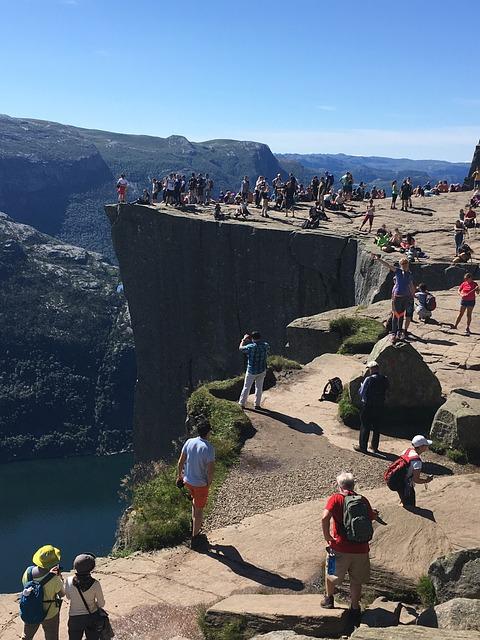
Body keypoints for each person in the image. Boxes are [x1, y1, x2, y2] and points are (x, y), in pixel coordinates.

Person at [321, 472, 379, 625]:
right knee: (356, 580)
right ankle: (354, 608)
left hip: (338, 547)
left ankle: (329, 599)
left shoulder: (335, 498)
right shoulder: (363, 500)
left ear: (339, 485)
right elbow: (370, 517)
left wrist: (327, 536)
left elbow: (324, 517)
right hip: (360, 549)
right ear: (353, 485)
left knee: (331, 572)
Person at [176, 419, 215, 549]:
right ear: (208, 432)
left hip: (188, 482)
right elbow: (210, 470)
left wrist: (179, 477)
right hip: (200, 484)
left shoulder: (189, 442)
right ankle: (196, 538)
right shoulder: (209, 448)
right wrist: (208, 484)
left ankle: (194, 527)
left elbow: (180, 462)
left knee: (194, 503)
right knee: (199, 511)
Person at [20, 545, 64, 640]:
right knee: (51, 636)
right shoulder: (54, 579)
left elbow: (26, 585)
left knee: (26, 636)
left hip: (31, 609)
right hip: (50, 613)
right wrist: (59, 577)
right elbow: (62, 594)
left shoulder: (28, 572)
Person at [373, 255, 414, 342]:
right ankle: (393, 333)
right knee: (395, 314)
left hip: (405, 297)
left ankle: (399, 332)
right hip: (397, 296)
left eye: (406, 264)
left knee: (401, 315)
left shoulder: (409, 274)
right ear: (400, 265)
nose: (404, 266)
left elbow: (411, 285)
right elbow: (388, 265)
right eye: (403, 264)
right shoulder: (398, 271)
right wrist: (378, 259)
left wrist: (412, 295)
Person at [64, 553, 105, 640]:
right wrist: (94, 604)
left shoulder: (69, 580)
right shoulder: (95, 584)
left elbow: (68, 597)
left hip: (74, 618)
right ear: (91, 568)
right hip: (91, 616)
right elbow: (101, 604)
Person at [354, 361, 389, 454]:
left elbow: (361, 392)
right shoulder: (384, 379)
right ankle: (374, 446)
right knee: (377, 427)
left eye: (369, 369)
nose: (369, 370)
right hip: (380, 405)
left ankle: (362, 447)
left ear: (372, 369)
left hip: (368, 406)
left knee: (365, 425)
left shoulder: (369, 379)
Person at [398, 436, 434, 508]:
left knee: (403, 497)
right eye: (426, 445)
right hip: (406, 484)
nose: (427, 446)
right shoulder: (417, 461)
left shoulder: (406, 451)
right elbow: (416, 479)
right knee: (410, 504)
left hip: (398, 479)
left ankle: (403, 502)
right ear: (421, 447)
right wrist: (426, 480)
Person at [238, 331, 270, 410]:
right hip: (262, 370)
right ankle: (257, 404)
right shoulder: (265, 345)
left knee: (246, 387)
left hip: (251, 371)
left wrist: (243, 340)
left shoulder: (250, 347)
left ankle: (241, 404)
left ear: (252, 338)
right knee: (259, 387)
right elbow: (267, 349)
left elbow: (241, 348)